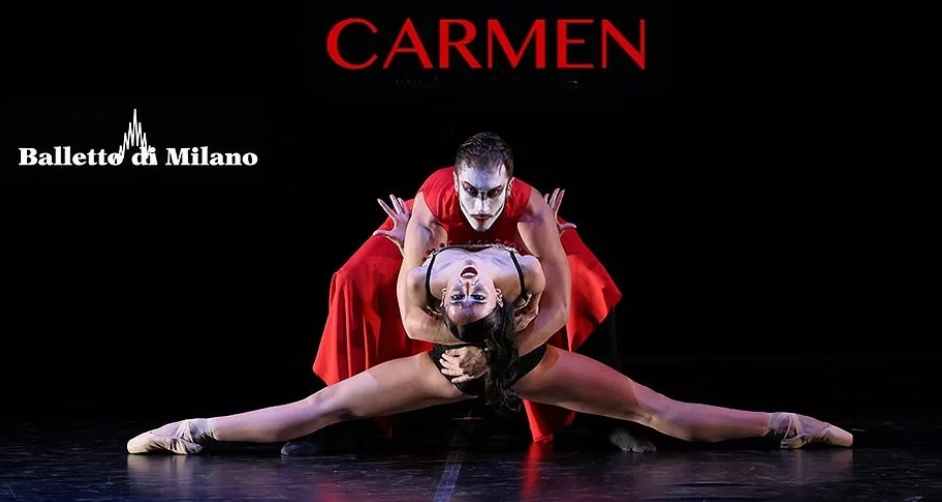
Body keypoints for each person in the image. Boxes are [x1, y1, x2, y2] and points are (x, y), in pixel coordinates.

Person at [127, 238, 853, 455]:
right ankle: (193, 431)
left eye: (470, 289)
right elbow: (550, 288)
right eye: (468, 291)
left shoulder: (437, 289)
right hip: (503, 365)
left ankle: (788, 425)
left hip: (488, 364)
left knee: (657, 410)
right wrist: (544, 238)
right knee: (319, 410)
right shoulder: (512, 288)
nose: (471, 283)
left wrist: (407, 241)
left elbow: (422, 291)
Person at [296, 132, 631, 454]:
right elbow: (412, 319)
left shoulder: (532, 213)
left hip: (513, 238)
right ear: (457, 183)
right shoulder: (430, 212)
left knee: (588, 278)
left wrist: (491, 355)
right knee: (354, 278)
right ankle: (333, 425)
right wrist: (485, 344)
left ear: (508, 188)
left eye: (493, 193)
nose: (481, 207)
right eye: (471, 191)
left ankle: (613, 418)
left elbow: (558, 310)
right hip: (439, 241)